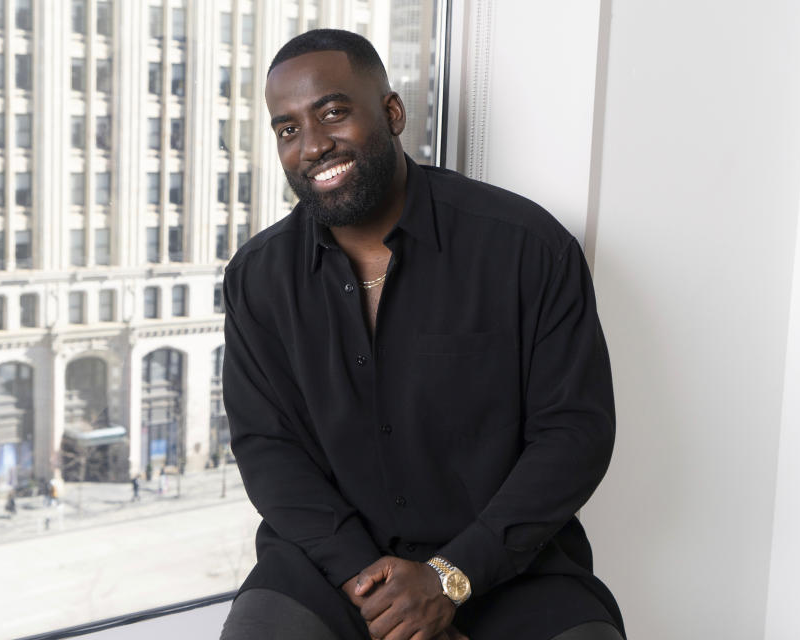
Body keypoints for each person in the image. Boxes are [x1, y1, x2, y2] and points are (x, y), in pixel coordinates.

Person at [220, 29, 625, 640]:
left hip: (505, 568)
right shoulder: (257, 279)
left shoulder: (527, 248)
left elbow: (575, 434)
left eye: (332, 112)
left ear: (391, 112)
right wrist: (382, 593)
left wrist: (448, 578)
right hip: (330, 570)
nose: (313, 144)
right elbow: (268, 449)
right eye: (288, 129)